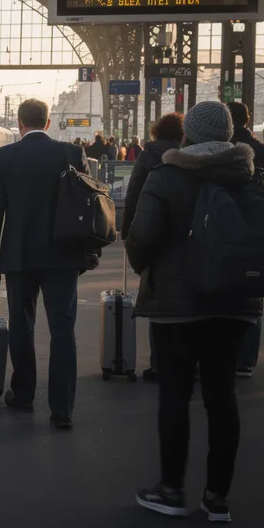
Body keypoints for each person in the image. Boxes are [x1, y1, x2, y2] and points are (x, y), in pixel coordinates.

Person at [127, 101, 264, 522]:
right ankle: (217, 497)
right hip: (235, 302)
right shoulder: (253, 174)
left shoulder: (165, 175)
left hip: (176, 304)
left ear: (188, 132)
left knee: (174, 396)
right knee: (222, 397)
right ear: (228, 134)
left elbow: (140, 240)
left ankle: (170, 490)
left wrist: (148, 265)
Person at [0, 99, 95, 429]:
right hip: (63, 255)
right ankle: (62, 410)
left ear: (19, 123)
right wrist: (88, 249)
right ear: (47, 123)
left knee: (22, 325)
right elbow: (86, 203)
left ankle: (24, 394)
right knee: (63, 331)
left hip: (19, 256)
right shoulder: (71, 154)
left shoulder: (4, 157)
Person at [121, 112, 184, 381]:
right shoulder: (192, 154)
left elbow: (134, 193)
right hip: (188, 235)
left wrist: (127, 234)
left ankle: (159, 363)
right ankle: (186, 362)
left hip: (154, 233)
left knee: (156, 295)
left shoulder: (149, 155)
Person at [229, 101, 264, 377]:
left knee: (222, 293)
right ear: (247, 120)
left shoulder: (224, 150)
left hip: (226, 234)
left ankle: (222, 357)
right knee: (253, 300)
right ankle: (246, 361)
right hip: (260, 235)